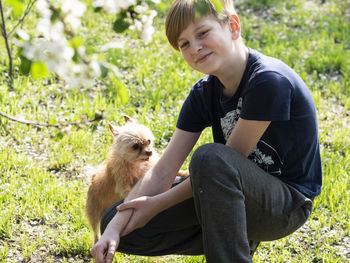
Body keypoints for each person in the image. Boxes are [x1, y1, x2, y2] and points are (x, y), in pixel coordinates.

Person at [90, 0, 322, 262]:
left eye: (202, 33)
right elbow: (163, 170)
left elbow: (227, 160)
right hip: (230, 193)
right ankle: (232, 238)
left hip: (284, 205)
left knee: (210, 158)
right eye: (184, 44)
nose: (195, 48)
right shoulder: (204, 92)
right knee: (121, 219)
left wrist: (156, 204)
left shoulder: (269, 81)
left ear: (233, 26)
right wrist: (115, 226)